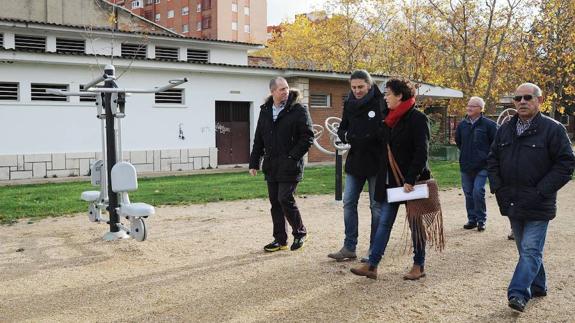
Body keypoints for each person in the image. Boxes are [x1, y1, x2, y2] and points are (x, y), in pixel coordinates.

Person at [487, 83, 575, 312]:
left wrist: (542, 190)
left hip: (539, 201)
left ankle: (517, 293)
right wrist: (498, 187)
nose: (522, 101)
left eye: (528, 97)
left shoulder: (553, 129)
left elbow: (566, 164)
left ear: (539, 100)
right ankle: (539, 285)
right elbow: (492, 159)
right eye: (517, 98)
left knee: (530, 250)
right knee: (525, 249)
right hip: (511, 201)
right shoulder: (505, 129)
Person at [350, 77, 431, 280]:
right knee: (385, 222)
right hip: (392, 182)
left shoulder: (418, 119)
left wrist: (410, 179)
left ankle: (419, 265)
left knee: (415, 225)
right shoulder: (389, 118)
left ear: (400, 95)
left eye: (388, 94)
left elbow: (422, 153)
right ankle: (373, 264)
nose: (385, 98)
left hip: (411, 183)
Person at [249, 77, 314, 252]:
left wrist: (292, 157)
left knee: (285, 198)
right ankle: (280, 240)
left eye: (286, 88)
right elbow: (259, 138)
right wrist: (254, 162)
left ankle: (300, 232)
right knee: (275, 202)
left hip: (290, 165)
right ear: (272, 92)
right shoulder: (265, 111)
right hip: (272, 165)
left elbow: (308, 137)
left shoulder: (298, 109)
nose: (285, 92)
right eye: (281, 89)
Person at [327, 70, 384, 262]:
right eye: (353, 87)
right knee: (349, 202)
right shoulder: (349, 103)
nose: (357, 90)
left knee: (376, 206)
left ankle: (374, 250)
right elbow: (343, 128)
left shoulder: (381, 102)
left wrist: (359, 136)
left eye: (360, 87)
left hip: (376, 161)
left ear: (369, 85)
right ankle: (349, 246)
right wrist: (347, 136)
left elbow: (381, 131)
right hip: (356, 161)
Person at [455, 96, 497, 231]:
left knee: (478, 191)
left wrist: (486, 157)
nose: (469, 108)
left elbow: (495, 144)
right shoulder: (462, 125)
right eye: (468, 105)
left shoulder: (489, 125)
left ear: (480, 109)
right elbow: (459, 142)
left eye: (472, 106)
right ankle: (471, 219)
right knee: (468, 193)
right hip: (466, 165)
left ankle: (481, 220)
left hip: (483, 166)